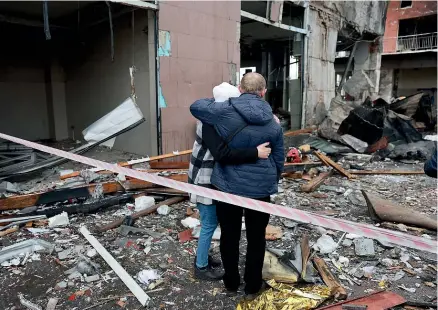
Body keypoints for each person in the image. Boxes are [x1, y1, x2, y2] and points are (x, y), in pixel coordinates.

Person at [190, 73, 284, 297]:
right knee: (256, 238)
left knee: (229, 237)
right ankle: (252, 286)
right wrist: (272, 178)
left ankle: (231, 282)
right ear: (264, 92)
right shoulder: (273, 121)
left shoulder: (223, 112)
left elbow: (196, 106)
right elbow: (279, 158)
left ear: (240, 89)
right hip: (260, 189)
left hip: (227, 187)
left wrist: (225, 101)